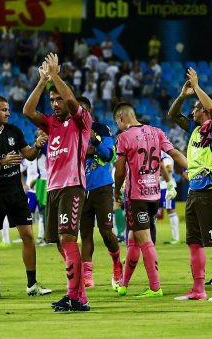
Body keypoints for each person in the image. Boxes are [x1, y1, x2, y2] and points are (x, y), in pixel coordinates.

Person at [23, 53, 93, 312]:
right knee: (60, 242)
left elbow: (72, 101)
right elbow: (28, 111)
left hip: (72, 186)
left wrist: (55, 76)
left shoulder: (81, 121)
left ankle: (75, 297)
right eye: (51, 100)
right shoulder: (50, 124)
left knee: (67, 238)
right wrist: (43, 81)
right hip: (53, 188)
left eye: (58, 99)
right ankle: (78, 295)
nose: (54, 103)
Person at [0, 95, 51, 299]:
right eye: (4, 109)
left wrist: (37, 145)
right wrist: (2, 162)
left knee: (28, 236)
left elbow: (29, 155)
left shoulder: (14, 131)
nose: (8, 113)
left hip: (16, 192)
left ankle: (32, 284)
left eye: (8, 109)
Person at [167, 67, 212, 302]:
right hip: (194, 191)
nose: (192, 111)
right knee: (194, 243)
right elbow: (173, 114)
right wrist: (184, 95)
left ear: (203, 109)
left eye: (195, 107)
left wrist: (197, 87)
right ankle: (198, 289)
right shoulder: (195, 130)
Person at [112, 101, 188, 296]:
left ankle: (155, 287)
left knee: (144, 240)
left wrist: (117, 191)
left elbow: (119, 170)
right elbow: (174, 154)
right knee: (133, 238)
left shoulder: (124, 137)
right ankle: (123, 284)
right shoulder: (157, 131)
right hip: (154, 194)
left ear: (120, 118)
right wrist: (194, 169)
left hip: (136, 196)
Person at [79, 114, 123, 291]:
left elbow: (108, 155)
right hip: (80, 188)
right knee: (85, 233)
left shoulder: (102, 129)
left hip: (102, 187)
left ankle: (117, 263)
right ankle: (87, 274)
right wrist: (87, 150)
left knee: (106, 231)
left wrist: (95, 142)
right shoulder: (72, 130)